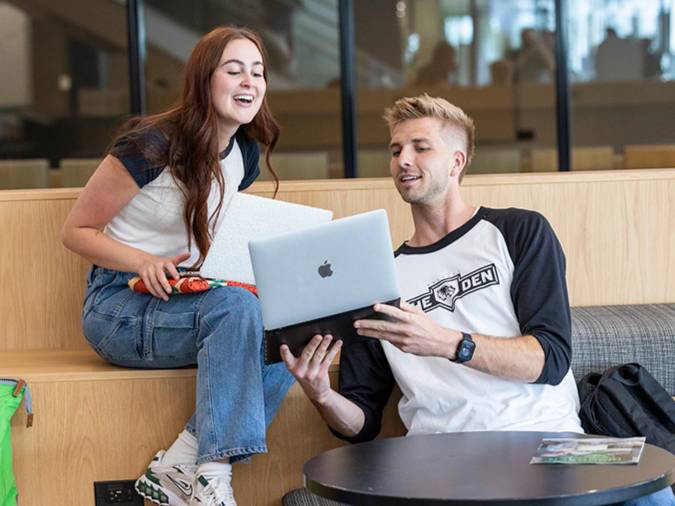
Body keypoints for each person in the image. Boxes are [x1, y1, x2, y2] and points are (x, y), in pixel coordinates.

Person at [282, 94, 675, 506]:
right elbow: (361, 423)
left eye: (420, 147)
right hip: (441, 456)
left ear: (457, 162)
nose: (403, 160)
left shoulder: (522, 231)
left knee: (654, 495)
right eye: (395, 150)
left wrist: (448, 342)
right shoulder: (377, 281)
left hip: (554, 441)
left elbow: (550, 358)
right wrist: (322, 395)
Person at [61, 26, 295, 506]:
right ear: (205, 79)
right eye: (234, 70)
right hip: (117, 304)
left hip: (189, 298)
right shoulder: (151, 144)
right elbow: (76, 231)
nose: (249, 81)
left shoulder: (243, 153)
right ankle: (210, 477)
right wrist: (142, 260)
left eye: (258, 72)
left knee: (295, 321)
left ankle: (183, 460)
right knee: (234, 310)